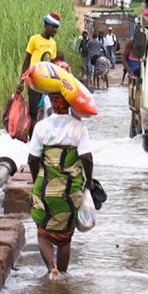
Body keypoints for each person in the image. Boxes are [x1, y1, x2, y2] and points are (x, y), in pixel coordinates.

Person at [28, 92, 93, 279]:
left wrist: (36, 182)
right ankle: (63, 275)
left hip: (46, 187)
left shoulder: (41, 127)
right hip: (71, 190)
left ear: (53, 105)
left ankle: (51, 269)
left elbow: (32, 159)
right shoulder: (79, 127)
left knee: (43, 232)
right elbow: (86, 158)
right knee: (65, 239)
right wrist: (89, 182)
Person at [19, 12, 60, 137]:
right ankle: (32, 142)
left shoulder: (53, 44)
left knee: (47, 112)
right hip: (34, 82)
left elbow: (52, 65)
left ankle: (45, 140)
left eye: (56, 27)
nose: (55, 30)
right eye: (53, 27)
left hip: (47, 84)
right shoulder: (34, 40)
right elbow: (27, 61)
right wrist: (21, 81)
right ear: (45, 25)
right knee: (33, 113)